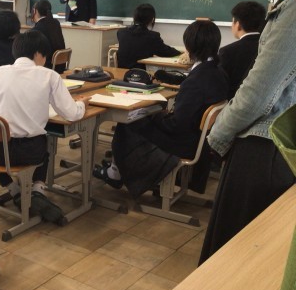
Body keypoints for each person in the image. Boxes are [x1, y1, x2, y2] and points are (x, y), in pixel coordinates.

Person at [200, 0, 296, 264]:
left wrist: (217, 135)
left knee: (229, 266)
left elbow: (258, 94)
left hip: (264, 149)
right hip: (282, 147)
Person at [94, 20, 228, 198]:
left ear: (190, 46)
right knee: (140, 117)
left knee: (129, 120)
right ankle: (121, 167)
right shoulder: (218, 72)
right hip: (199, 141)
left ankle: (117, 173)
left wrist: (154, 114)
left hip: (183, 143)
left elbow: (176, 125)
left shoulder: (196, 81)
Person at [0, 30, 87, 223]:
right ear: (37, 54)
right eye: (45, 56)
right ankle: (36, 191)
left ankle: (15, 191)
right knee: (46, 144)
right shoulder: (49, 76)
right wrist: (83, 104)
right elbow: (71, 114)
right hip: (30, 151)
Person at [218, 1, 266, 100]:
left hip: (233, 104)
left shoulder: (227, 52)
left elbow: (220, 86)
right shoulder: (268, 48)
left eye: (233, 22)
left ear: (238, 25)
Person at [116, 3, 181, 70]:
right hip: (141, 74)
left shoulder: (121, 32)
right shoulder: (152, 36)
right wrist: (180, 53)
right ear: (152, 19)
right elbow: (166, 52)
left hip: (121, 73)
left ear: (134, 17)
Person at [31, 0, 66, 72]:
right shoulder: (56, 23)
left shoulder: (36, 29)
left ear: (35, 11)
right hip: (60, 66)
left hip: (47, 68)